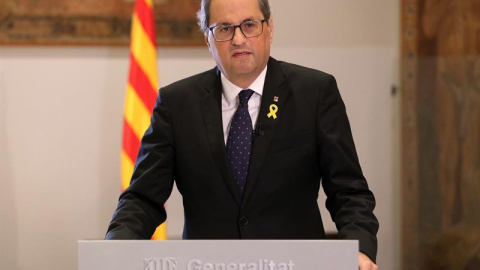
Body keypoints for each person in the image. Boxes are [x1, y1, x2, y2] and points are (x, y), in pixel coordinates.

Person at [106, 0, 379, 269]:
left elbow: (348, 191)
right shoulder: (176, 104)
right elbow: (142, 199)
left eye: (249, 25)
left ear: (270, 28)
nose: (238, 39)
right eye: (224, 28)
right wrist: (114, 251)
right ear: (208, 39)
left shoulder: (315, 93)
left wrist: (358, 250)